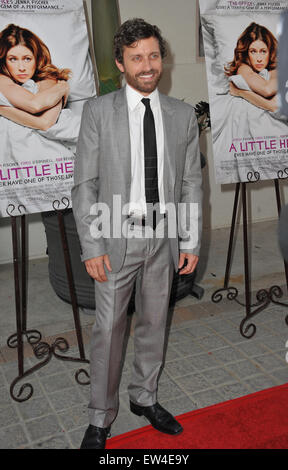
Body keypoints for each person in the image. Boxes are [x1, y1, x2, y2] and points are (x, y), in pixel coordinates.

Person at [72, 18, 202, 450]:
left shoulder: (182, 115)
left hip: (164, 238)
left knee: (155, 321)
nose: (147, 66)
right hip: (114, 235)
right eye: (136, 58)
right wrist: (91, 245)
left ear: (161, 58)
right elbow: (84, 185)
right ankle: (99, 416)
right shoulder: (97, 112)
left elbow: (189, 185)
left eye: (152, 55)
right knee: (109, 329)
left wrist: (191, 241)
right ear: (120, 63)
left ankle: (144, 397)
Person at [0, 23, 70, 130]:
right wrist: (62, 87)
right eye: (13, 59)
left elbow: (44, 123)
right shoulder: (2, 79)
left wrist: (62, 86)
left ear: (37, 58)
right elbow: (34, 105)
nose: (21, 67)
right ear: (4, 60)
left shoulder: (49, 79)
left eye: (27, 59)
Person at [225, 22, 278, 112]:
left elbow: (273, 104)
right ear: (246, 53)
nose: (259, 59)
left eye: (263, 51)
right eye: (253, 51)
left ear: (270, 51)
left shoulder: (278, 69)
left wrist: (240, 92)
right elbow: (268, 93)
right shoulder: (243, 68)